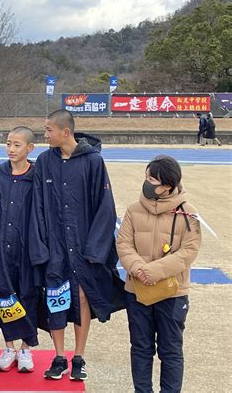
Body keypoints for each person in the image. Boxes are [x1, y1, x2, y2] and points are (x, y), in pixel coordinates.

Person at [30, 109, 125, 381]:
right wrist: (41, 245)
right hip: (55, 247)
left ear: (65, 132)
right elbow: (37, 205)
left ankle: (79, 356)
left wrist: (95, 249)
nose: (45, 134)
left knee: (82, 297)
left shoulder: (93, 161)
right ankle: (58, 357)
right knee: (56, 299)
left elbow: (105, 208)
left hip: (84, 248)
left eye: (49, 129)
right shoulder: (45, 161)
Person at [117, 155, 201, 393]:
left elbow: (189, 251)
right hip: (137, 292)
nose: (146, 182)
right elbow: (123, 244)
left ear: (167, 185)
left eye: (151, 179)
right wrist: (139, 269)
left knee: (170, 350)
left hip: (173, 294)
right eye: (146, 177)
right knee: (140, 347)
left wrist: (153, 271)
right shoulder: (133, 210)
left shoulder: (188, 214)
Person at [0, 126, 43, 373]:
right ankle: (8, 346)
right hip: (1, 249)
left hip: (27, 250)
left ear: (30, 148)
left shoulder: (37, 177)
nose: (11, 149)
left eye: (17, 145)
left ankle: (25, 349)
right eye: (9, 143)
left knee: (28, 296)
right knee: (4, 297)